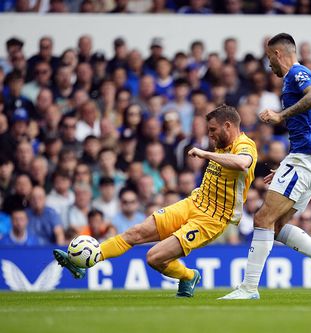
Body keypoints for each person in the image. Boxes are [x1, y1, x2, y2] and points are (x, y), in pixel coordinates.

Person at [53, 105, 257, 298]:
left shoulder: (245, 145)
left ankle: (188, 276)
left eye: (213, 130)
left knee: (154, 257)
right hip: (193, 202)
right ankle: (84, 262)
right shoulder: (220, 145)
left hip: (212, 219)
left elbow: (242, 163)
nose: (210, 135)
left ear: (228, 126)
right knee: (135, 233)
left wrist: (204, 154)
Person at [220, 33, 311, 300]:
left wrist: (280, 115)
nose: (269, 65)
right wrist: (287, 165)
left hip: (305, 161)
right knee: (275, 227)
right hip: (308, 161)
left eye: (269, 58)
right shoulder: (295, 77)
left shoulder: (297, 74)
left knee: (263, 219)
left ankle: (249, 288)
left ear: (278, 54)